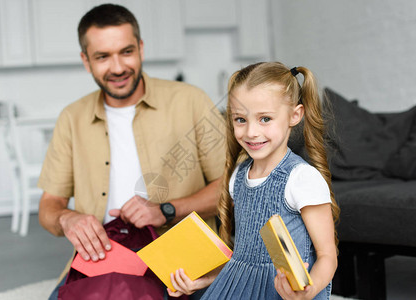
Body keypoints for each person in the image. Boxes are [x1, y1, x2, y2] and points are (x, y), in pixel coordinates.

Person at [37, 3, 225, 299]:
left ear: (141, 48)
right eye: (102, 57)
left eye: (126, 52)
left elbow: (230, 189)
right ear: (86, 61)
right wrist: (67, 218)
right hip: (105, 257)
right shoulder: (72, 118)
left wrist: (167, 209)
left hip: (184, 258)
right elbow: (49, 206)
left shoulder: (191, 101)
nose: (118, 67)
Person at [168, 62, 339, 299]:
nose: (251, 132)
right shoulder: (238, 177)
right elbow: (244, 262)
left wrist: (308, 292)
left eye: (265, 119)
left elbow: (327, 256)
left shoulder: (302, 178)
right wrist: (203, 280)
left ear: (295, 115)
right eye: (240, 119)